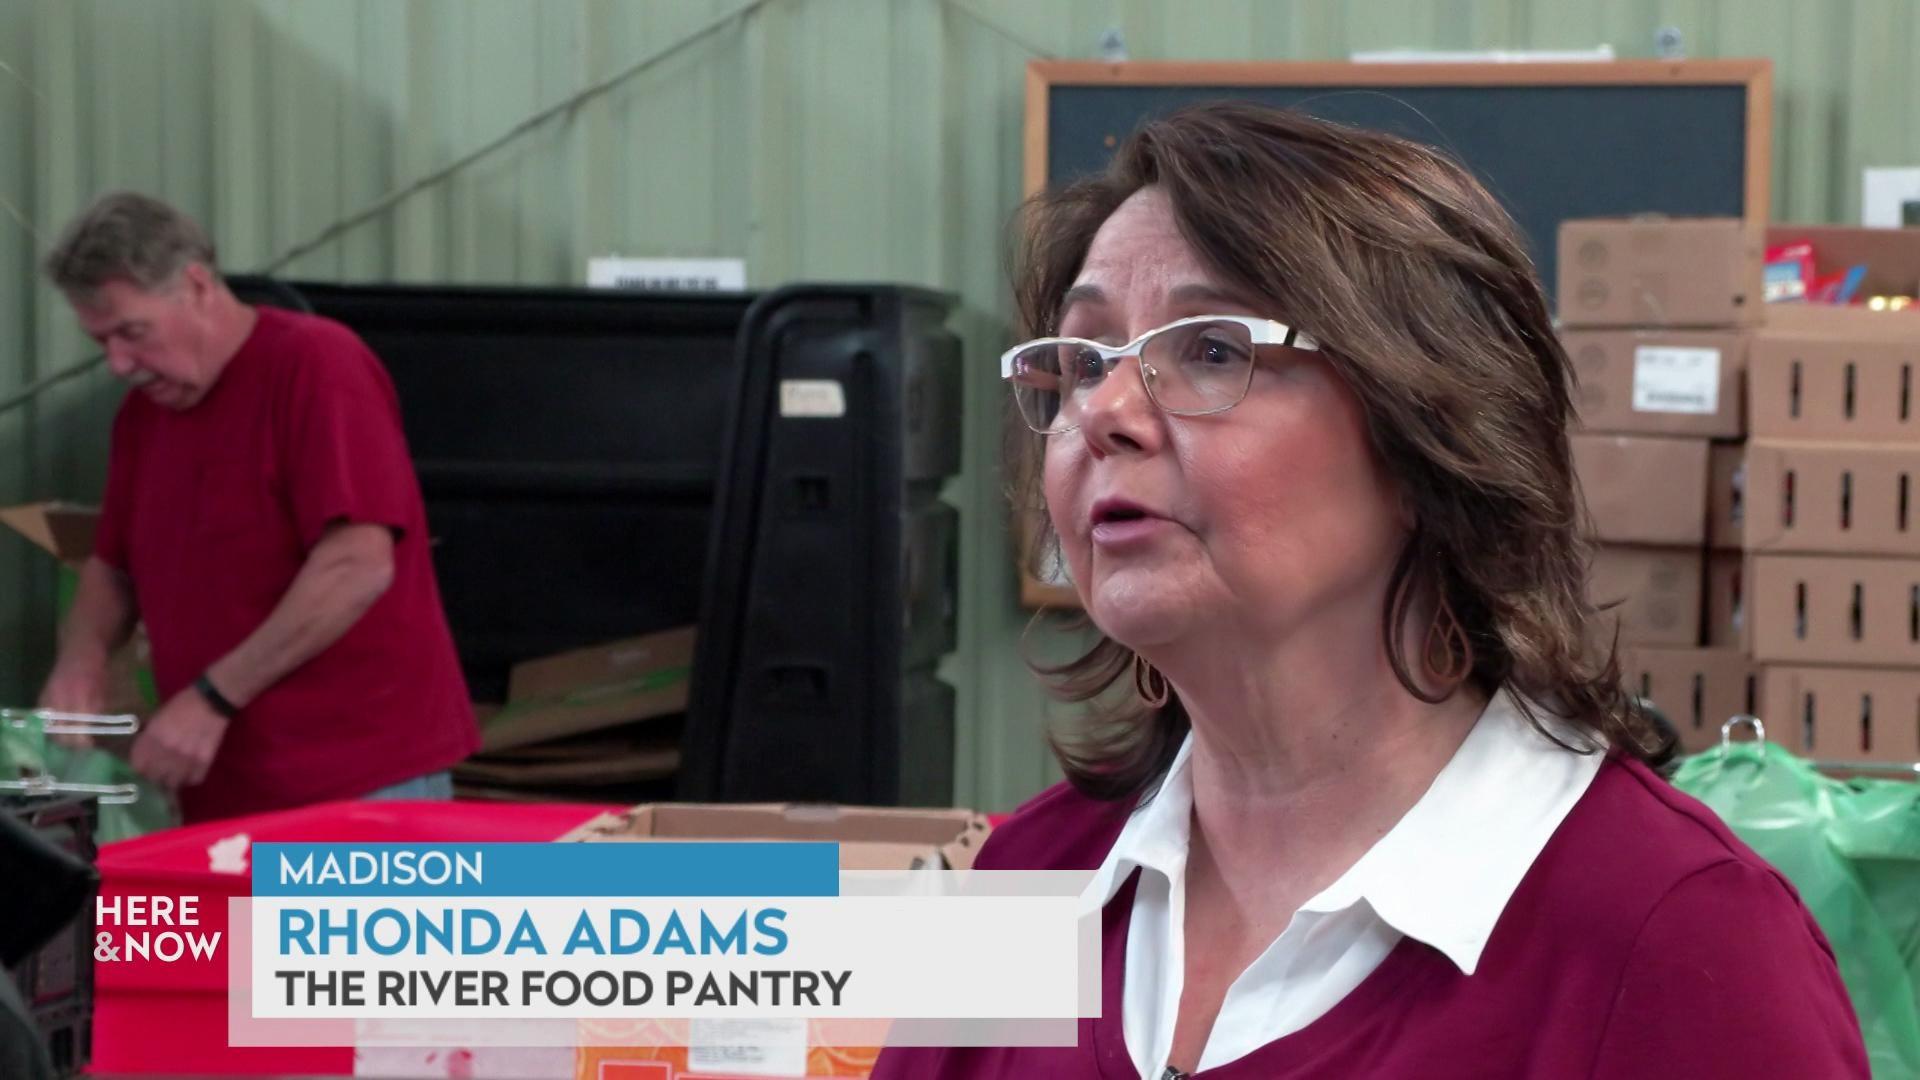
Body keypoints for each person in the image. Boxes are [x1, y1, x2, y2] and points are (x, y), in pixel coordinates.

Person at [873, 104, 1866, 1078]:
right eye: (1084, 361)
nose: (1103, 412)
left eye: (1211, 349)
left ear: (1429, 433)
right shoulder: (1027, 883)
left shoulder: (1680, 942)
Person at [36, 192, 479, 823]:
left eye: (132, 332)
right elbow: (113, 566)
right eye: (100, 341)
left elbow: (357, 565)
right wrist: (80, 662)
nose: (118, 364)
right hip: (222, 786)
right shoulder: (142, 418)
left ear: (197, 286)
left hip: (357, 780)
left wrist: (211, 699)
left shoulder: (317, 366)